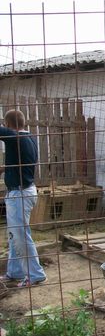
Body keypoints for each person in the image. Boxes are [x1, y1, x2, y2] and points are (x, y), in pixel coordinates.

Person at [0, 109, 47, 287]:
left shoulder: (15, 137)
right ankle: (15, 272)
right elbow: (23, 162)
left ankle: (36, 275)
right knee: (15, 235)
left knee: (20, 235)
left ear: (8, 125)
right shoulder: (28, 138)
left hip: (20, 194)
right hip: (24, 191)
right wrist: (6, 168)